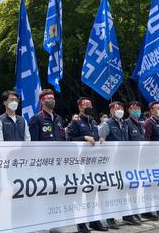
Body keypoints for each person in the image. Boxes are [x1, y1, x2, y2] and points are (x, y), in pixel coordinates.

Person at [67, 97, 108, 232]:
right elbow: (70, 139)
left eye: (90, 104)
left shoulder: (94, 121)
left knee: (93, 192)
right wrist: (84, 138)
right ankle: (81, 224)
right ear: (79, 107)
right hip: (81, 164)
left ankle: (94, 221)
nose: (89, 106)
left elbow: (95, 139)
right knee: (82, 194)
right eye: (86, 104)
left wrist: (100, 139)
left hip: (94, 163)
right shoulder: (76, 122)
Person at [99, 102, 141, 226]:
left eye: (121, 108)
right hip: (112, 163)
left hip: (125, 161)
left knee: (126, 189)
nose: (120, 110)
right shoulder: (107, 124)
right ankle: (110, 218)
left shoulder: (124, 124)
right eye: (117, 108)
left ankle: (127, 215)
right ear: (111, 110)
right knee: (113, 191)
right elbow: (101, 141)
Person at [123, 101, 147, 223]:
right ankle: (128, 214)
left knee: (137, 187)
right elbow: (125, 142)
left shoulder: (141, 124)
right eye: (134, 108)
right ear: (129, 110)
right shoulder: (126, 123)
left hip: (141, 160)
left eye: (138, 108)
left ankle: (136, 211)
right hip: (130, 161)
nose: (137, 110)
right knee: (129, 187)